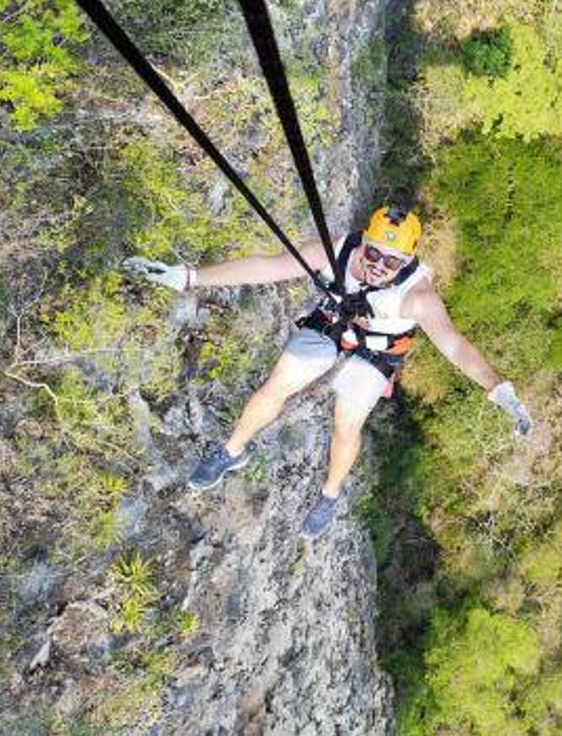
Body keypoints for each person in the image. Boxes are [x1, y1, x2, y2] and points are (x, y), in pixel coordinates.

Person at [123, 204, 533, 540]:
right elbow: (269, 267)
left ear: (408, 260)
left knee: (346, 421)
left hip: (378, 350)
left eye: (391, 261)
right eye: (372, 253)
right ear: (364, 242)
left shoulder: (418, 297)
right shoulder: (338, 249)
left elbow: (454, 344)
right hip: (335, 322)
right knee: (277, 384)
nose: (377, 266)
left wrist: (499, 389)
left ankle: (330, 494)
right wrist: (190, 279)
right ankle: (232, 452)